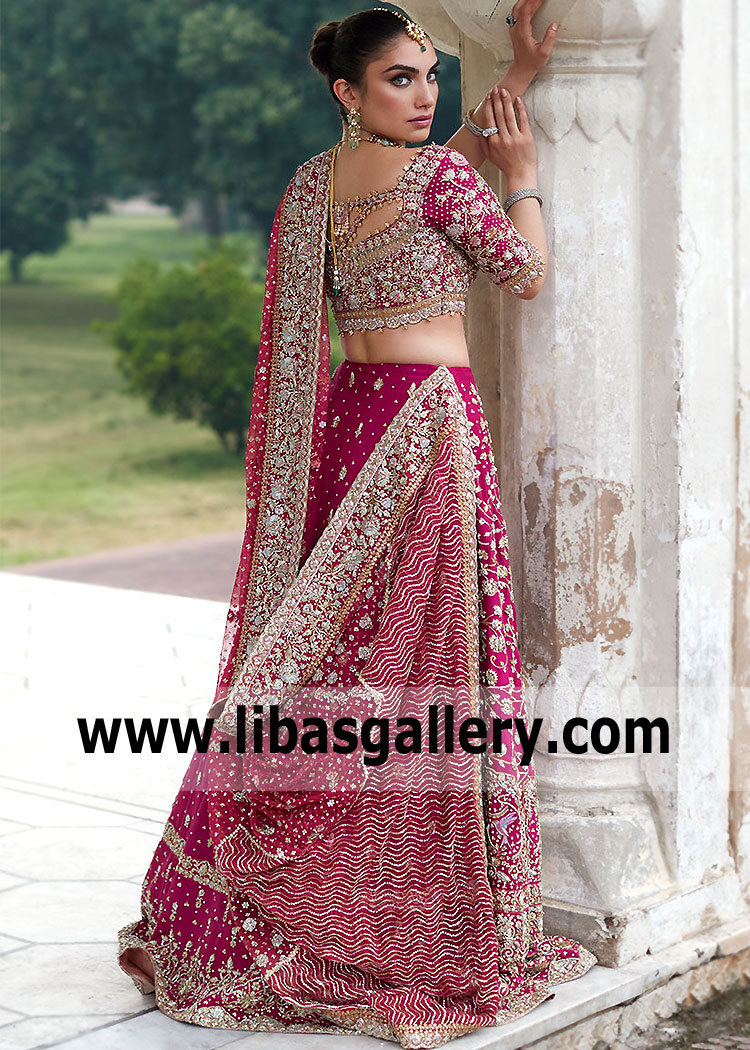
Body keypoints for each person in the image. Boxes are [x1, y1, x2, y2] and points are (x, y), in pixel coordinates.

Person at [118, 4, 598, 1046]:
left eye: (429, 75)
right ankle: (402, 904)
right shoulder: (443, 182)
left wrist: (516, 76)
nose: (424, 95)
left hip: (350, 430)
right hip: (430, 435)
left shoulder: (314, 187)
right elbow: (523, 272)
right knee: (427, 668)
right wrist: (523, 178)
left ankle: (308, 860)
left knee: (342, 658)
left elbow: (429, 175)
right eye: (400, 79)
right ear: (350, 91)